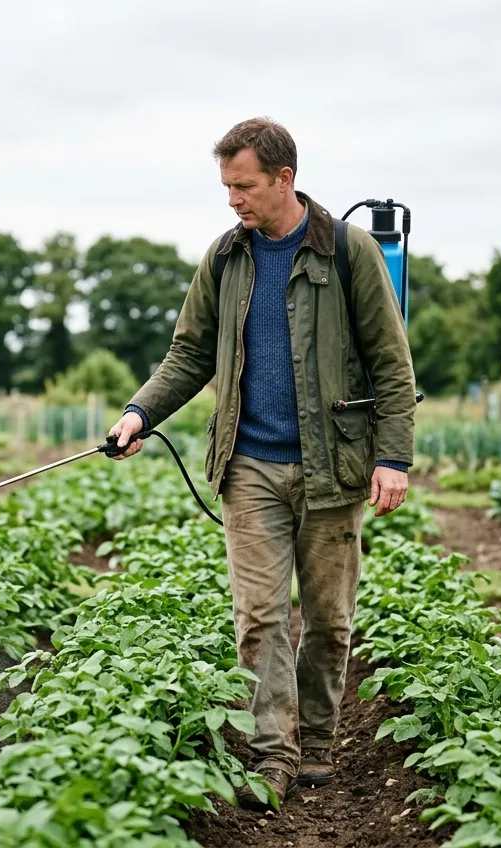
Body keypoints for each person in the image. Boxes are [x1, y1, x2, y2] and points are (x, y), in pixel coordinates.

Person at [107, 117, 417, 812]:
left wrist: (393, 456)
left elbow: (393, 364)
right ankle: (271, 754)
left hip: (332, 467)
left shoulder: (349, 253)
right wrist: (139, 414)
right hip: (248, 465)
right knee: (259, 618)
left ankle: (316, 745)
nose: (231, 200)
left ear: (284, 179)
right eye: (225, 186)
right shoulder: (225, 258)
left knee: (330, 621)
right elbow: (188, 354)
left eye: (242, 186)